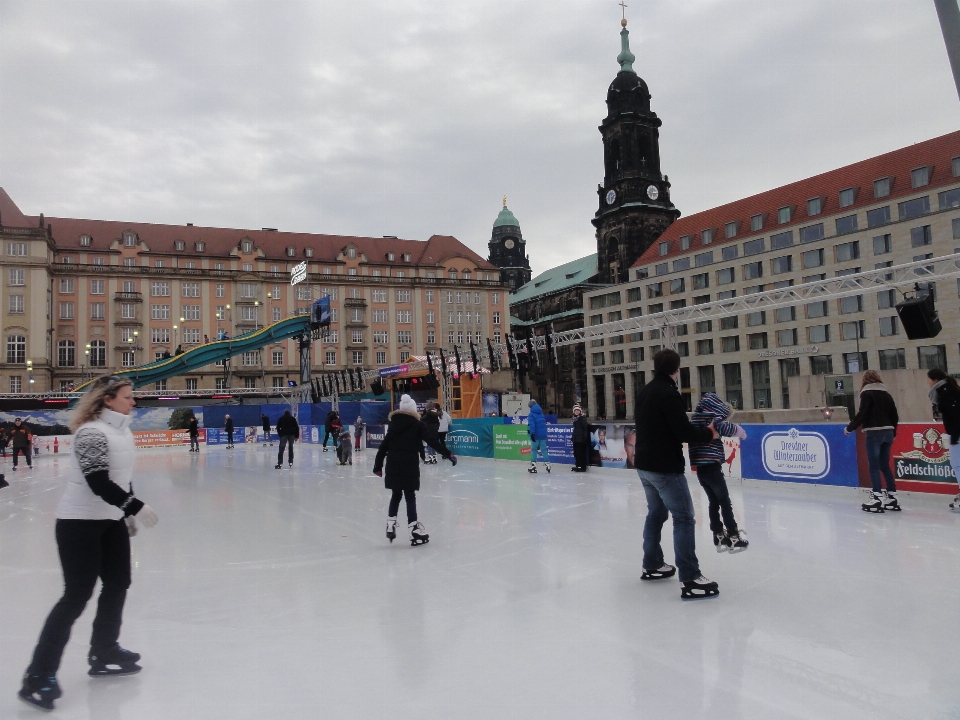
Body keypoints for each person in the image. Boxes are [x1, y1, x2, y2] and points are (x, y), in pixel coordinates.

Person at [18, 376, 159, 711]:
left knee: (118, 583)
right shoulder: (90, 433)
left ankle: (104, 649)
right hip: (78, 523)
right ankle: (38, 674)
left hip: (110, 522)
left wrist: (125, 514)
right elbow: (98, 481)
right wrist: (135, 507)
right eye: (128, 397)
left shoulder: (122, 432)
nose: (133, 402)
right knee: (76, 596)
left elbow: (122, 478)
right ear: (108, 400)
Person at [635, 349, 719, 600]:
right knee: (683, 518)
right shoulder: (669, 394)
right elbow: (683, 432)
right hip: (664, 468)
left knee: (657, 513)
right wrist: (710, 434)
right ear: (677, 369)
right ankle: (691, 578)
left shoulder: (646, 391)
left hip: (644, 466)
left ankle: (652, 564)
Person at [373, 394, 457, 546]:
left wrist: (378, 466)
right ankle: (414, 529)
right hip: (409, 465)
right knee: (409, 496)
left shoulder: (392, 426)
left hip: (393, 464)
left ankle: (391, 523)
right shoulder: (417, 425)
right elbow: (432, 440)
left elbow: (383, 447)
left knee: (396, 495)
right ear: (412, 410)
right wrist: (448, 454)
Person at [690, 393, 749, 551]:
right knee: (724, 500)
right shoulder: (713, 419)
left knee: (713, 501)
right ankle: (733, 535)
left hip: (701, 468)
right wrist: (740, 432)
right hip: (712, 467)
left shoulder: (695, 419)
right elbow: (725, 427)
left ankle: (718, 535)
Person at [846, 370, 901, 513]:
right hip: (888, 432)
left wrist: (850, 427)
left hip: (874, 432)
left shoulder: (866, 393)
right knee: (885, 466)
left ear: (864, 381)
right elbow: (894, 415)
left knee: (874, 466)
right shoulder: (886, 394)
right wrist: (893, 432)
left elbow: (863, 414)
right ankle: (892, 497)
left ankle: (877, 497)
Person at [928, 369, 960, 512]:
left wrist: (954, 435)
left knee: (957, 464)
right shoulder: (948, 390)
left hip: (956, 433)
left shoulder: (946, 392)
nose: (927, 383)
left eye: (928, 379)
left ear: (935, 380)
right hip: (955, 432)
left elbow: (956, 414)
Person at [526, 399, 551, 473]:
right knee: (544, 450)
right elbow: (543, 424)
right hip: (542, 435)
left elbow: (532, 425)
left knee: (534, 449)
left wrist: (532, 433)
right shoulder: (541, 413)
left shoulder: (531, 414)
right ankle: (548, 464)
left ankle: (533, 465)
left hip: (536, 435)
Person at [571, 403, 590, 472]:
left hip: (581, 439)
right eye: (575, 410)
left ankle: (582, 466)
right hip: (576, 438)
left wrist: (585, 437)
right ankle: (578, 465)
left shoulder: (582, 418)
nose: (577, 412)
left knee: (580, 453)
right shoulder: (574, 419)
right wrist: (573, 437)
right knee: (576, 453)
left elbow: (585, 428)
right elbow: (575, 429)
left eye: (578, 410)